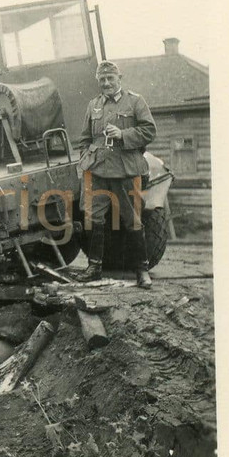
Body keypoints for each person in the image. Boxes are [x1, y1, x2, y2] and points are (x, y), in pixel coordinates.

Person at [78, 60, 157, 288]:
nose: (106, 83)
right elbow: (84, 138)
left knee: (132, 219)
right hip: (98, 170)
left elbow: (149, 131)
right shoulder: (93, 105)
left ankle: (142, 270)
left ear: (119, 79)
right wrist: (86, 157)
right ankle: (94, 268)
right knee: (93, 218)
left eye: (110, 79)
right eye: (102, 80)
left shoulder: (135, 101)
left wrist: (123, 134)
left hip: (125, 170)